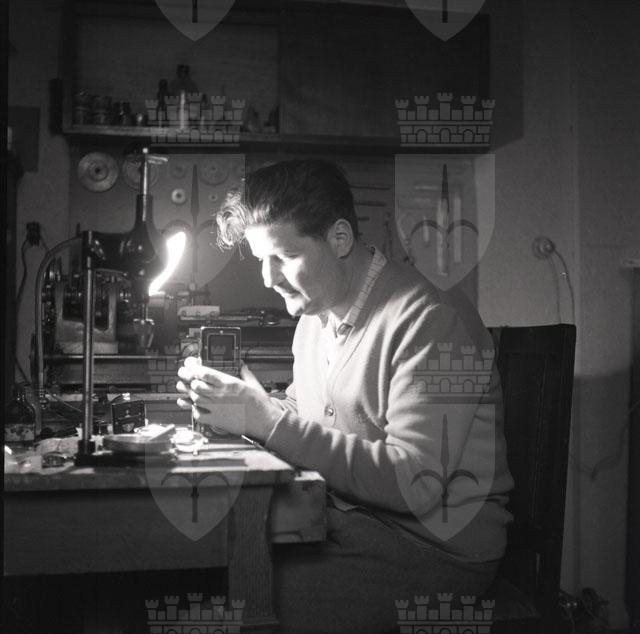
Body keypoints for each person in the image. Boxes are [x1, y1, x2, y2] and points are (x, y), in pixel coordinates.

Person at [176, 160, 513, 634]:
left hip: (436, 551)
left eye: (284, 256)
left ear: (339, 238)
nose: (268, 278)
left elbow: (415, 484)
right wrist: (247, 404)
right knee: (207, 571)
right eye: (260, 260)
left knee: (238, 602)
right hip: (346, 523)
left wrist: (266, 421)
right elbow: (310, 417)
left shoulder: (430, 319)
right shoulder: (316, 317)